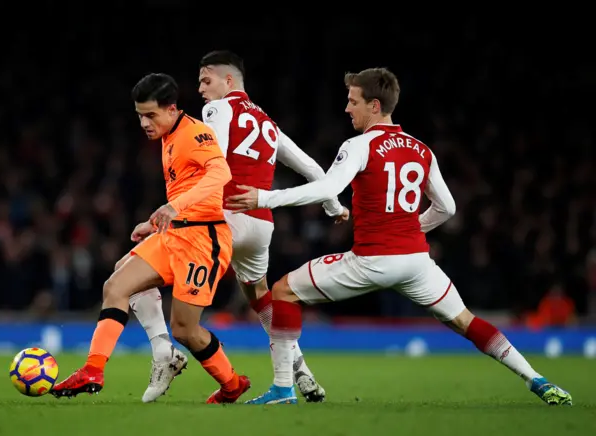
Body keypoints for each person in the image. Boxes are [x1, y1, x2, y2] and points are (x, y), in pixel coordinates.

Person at [227, 67, 573, 406]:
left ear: (374, 106)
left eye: (353, 101)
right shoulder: (421, 149)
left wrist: (265, 197)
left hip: (371, 260)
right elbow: (447, 207)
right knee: (465, 321)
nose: (347, 109)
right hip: (416, 263)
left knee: (284, 291)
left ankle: (284, 389)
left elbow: (328, 188)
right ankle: (537, 380)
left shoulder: (360, 145)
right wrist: (409, 229)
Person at [130, 50, 347, 403]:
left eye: (206, 80)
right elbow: (313, 169)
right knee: (261, 300)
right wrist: (333, 206)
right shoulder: (267, 122)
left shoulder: (217, 110)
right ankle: (302, 373)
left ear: (228, 81)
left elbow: (216, 162)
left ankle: (163, 351)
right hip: (261, 224)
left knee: (143, 272)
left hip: (222, 218)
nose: (200, 89)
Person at [51, 73, 250, 405]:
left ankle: (232, 384)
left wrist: (173, 207)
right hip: (175, 232)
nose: (144, 122)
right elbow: (187, 185)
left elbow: (221, 173)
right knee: (116, 284)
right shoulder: (167, 134)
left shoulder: (195, 133)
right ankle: (96, 368)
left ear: (171, 109)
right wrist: (157, 219)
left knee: (186, 329)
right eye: (140, 115)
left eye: (151, 115)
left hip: (204, 239)